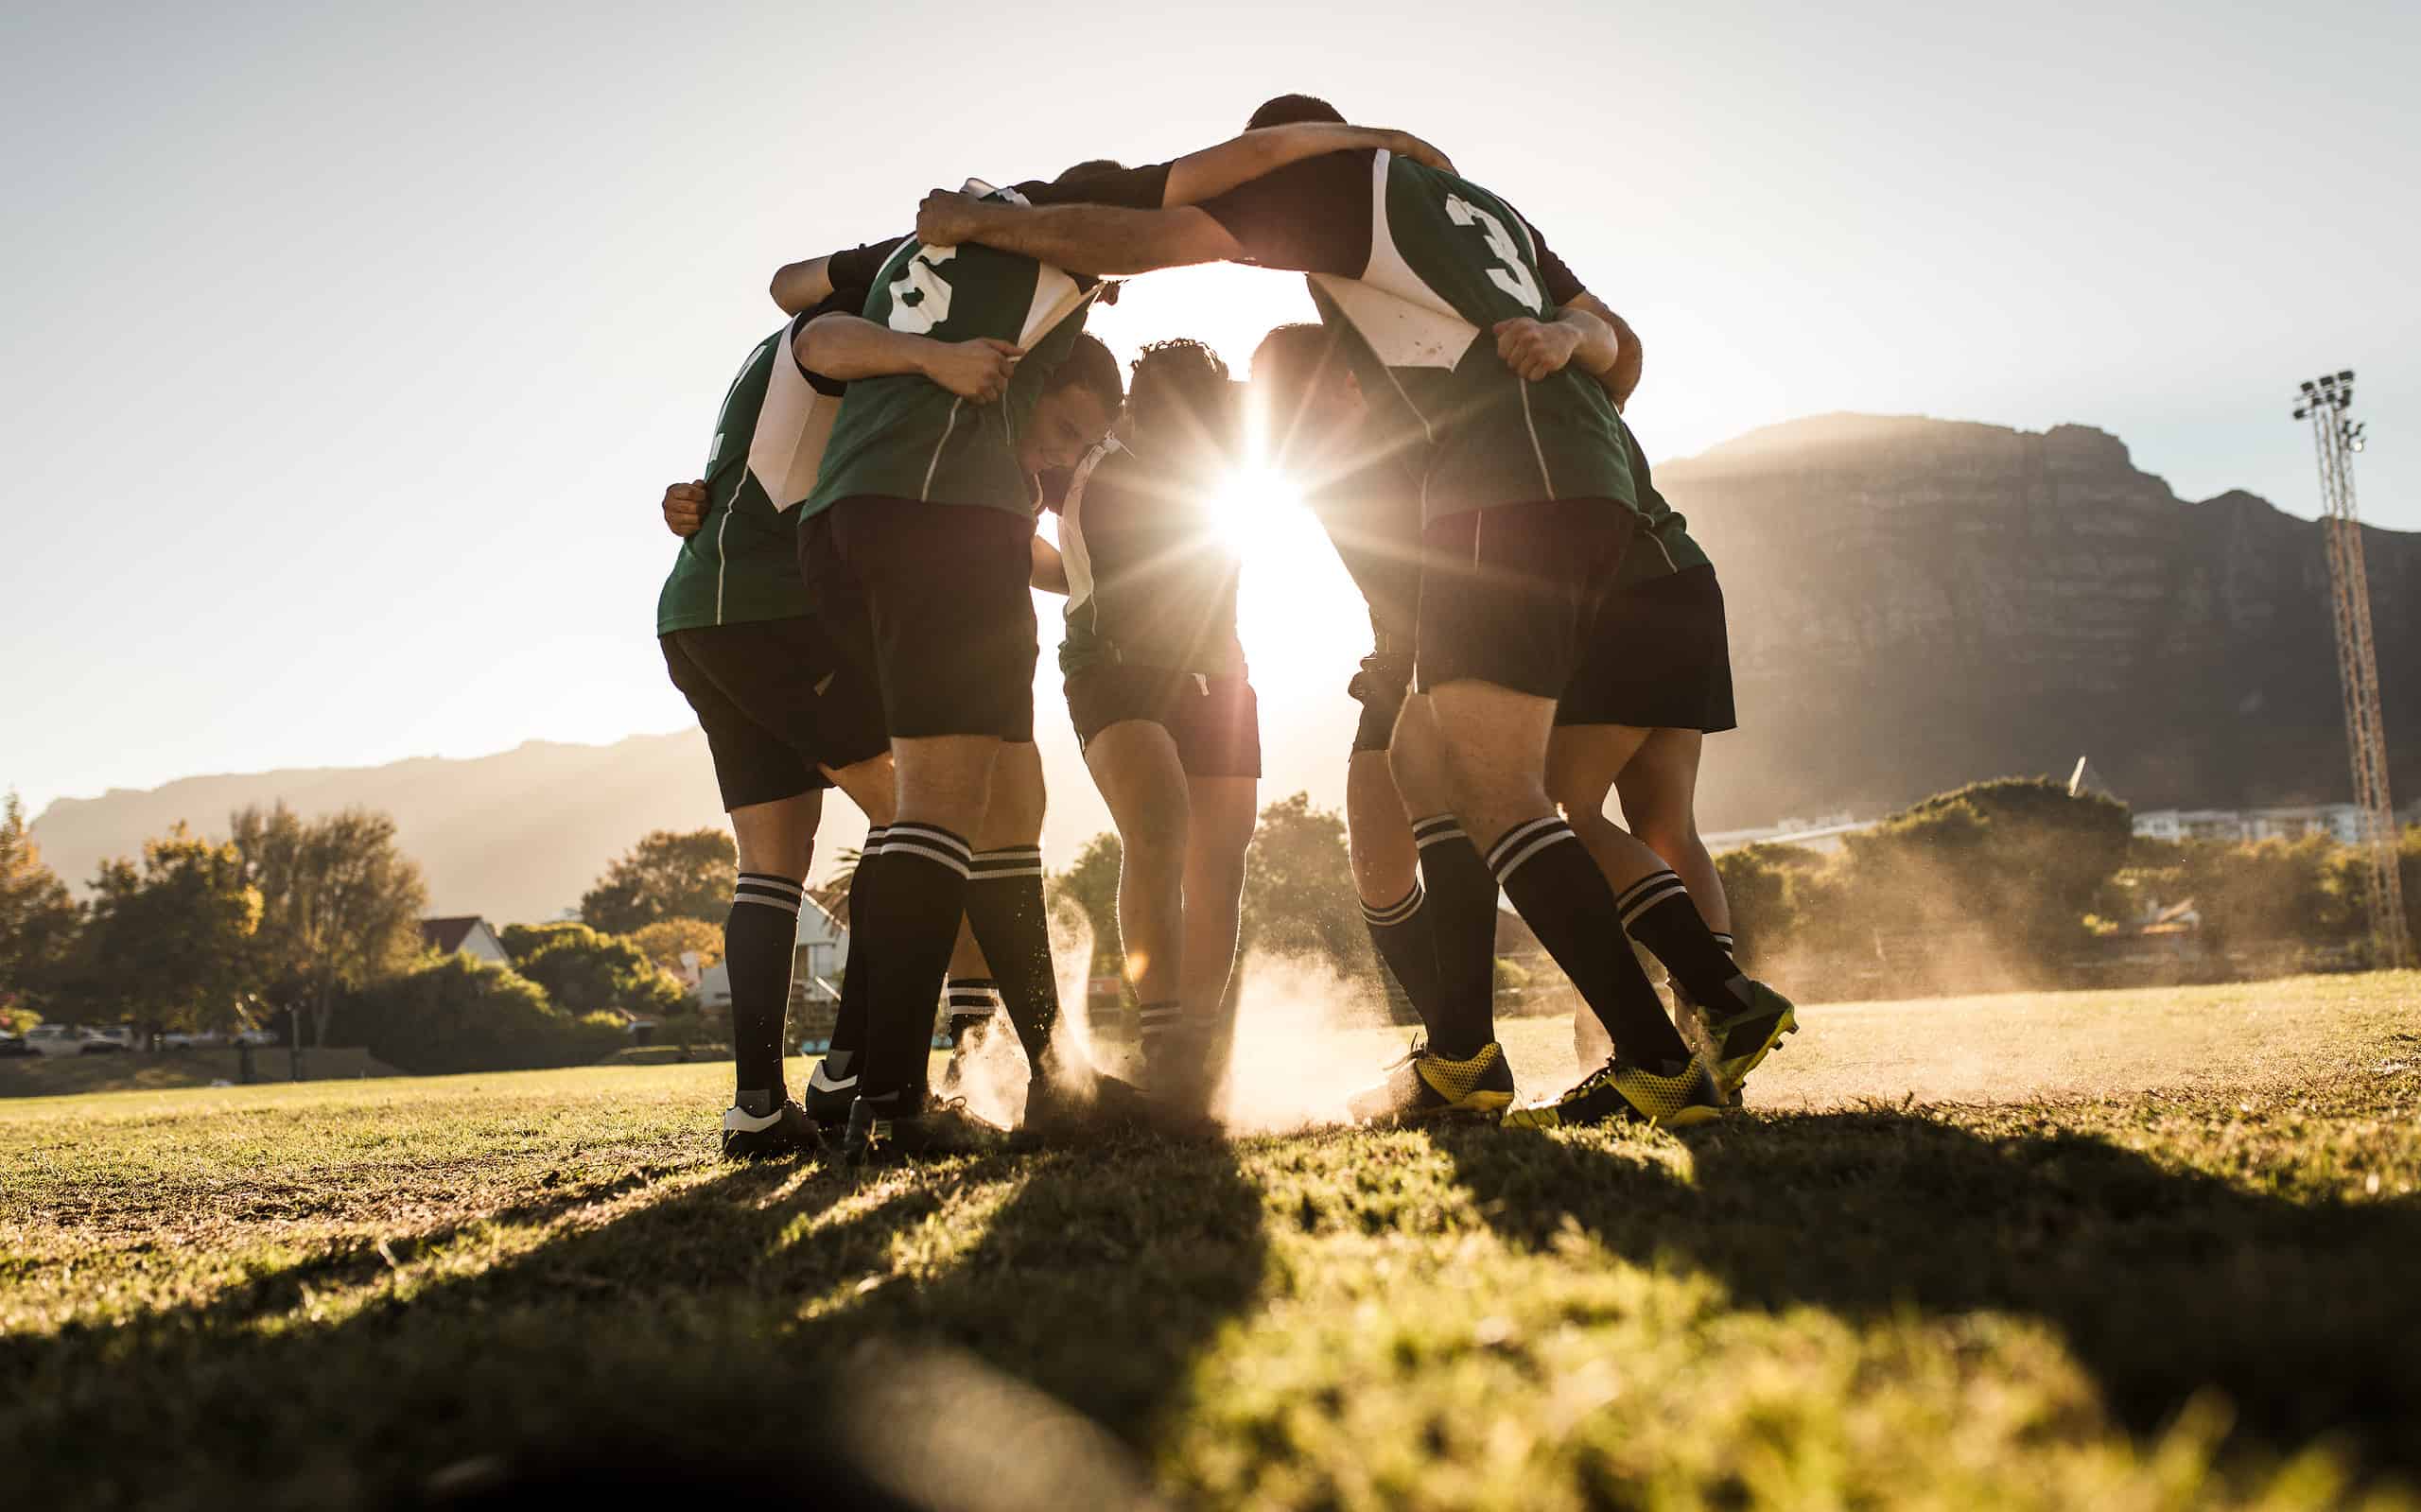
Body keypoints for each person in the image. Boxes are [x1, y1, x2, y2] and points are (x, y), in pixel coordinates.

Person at [917, 94, 1796, 1129]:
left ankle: (1671, 1037)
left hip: (1497, 488)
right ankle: (1475, 1049)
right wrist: (1560, 362)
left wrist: (988, 227)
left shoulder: (1337, 185)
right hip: (1597, 483)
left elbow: (1145, 232)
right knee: (1432, 764)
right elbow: (1625, 352)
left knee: (1497, 790)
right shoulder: (1484, 212)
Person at [793, 120, 1451, 1162]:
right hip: (958, 534)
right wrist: (1366, 142)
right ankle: (903, 1091)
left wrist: (927, 298)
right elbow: (1229, 175)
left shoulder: (935, 255)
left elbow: (798, 303)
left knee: (1009, 813)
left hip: (853, 528)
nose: (1113, 284)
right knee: (991, 815)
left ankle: (1072, 1072)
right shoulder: (1054, 235)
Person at [653, 270, 1022, 1159]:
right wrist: (938, 358)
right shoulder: (842, 335)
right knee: (912, 814)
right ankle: (849, 1070)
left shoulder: (763, 363)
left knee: (772, 865)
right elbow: (820, 339)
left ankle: (756, 1108)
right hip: (767, 615)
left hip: (703, 616)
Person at [1555, 416, 1792, 1100]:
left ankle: (1707, 1004)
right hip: (1684, 580)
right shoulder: (1578, 373)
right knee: (1667, 824)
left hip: (1616, 597)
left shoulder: (1509, 381)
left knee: (1556, 818)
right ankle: (1715, 1038)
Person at [1050, 339, 1259, 1114]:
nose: (1155, 417)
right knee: (1161, 823)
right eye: (1146, 403)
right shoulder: (1088, 462)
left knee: (1222, 858)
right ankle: (1165, 1039)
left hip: (1220, 676)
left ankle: (1196, 1044)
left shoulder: (1226, 465)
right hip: (1115, 666)